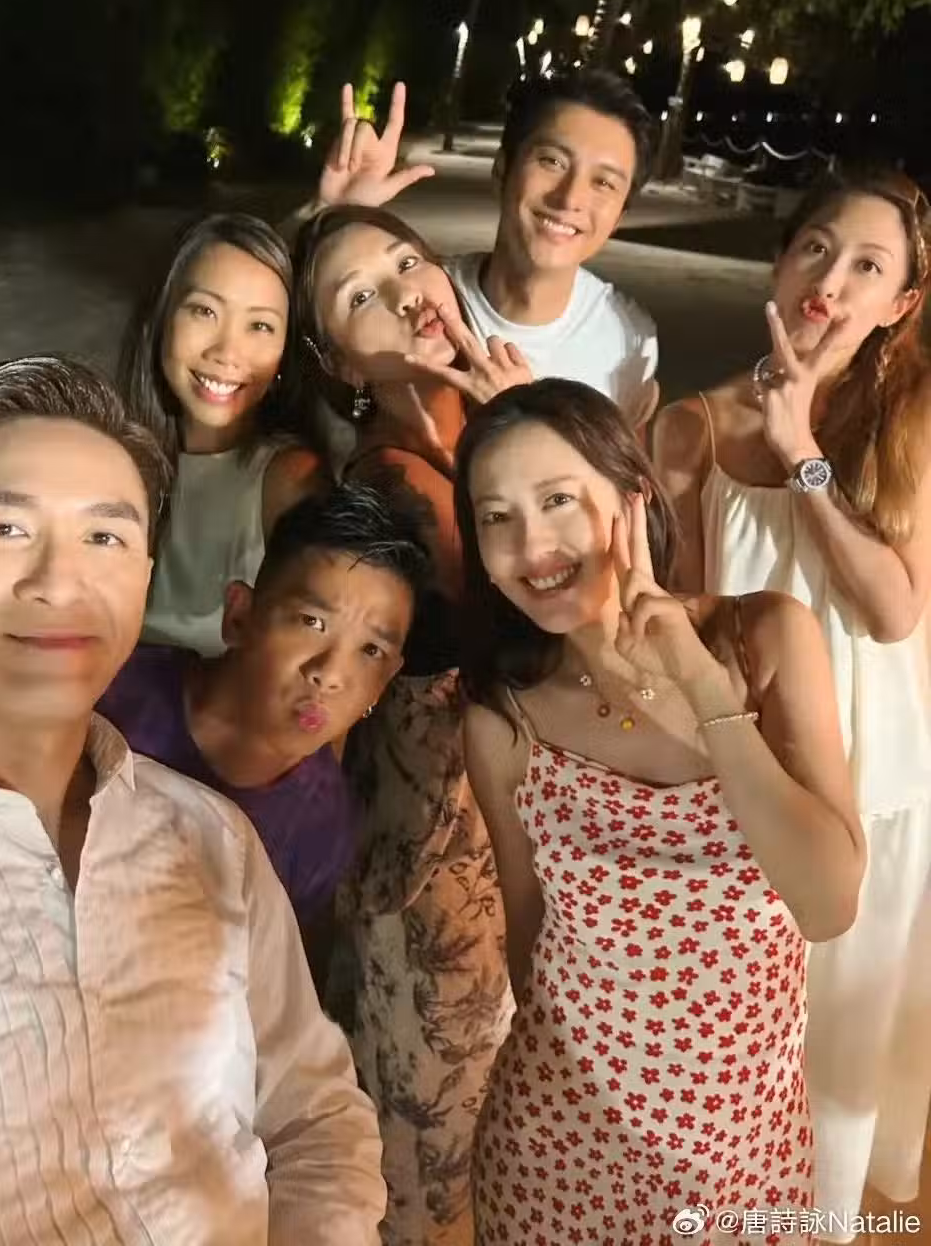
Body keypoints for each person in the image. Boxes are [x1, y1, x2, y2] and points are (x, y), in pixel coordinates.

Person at [0, 357, 385, 1246]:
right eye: (3, 527)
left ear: (143, 581)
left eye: (104, 537)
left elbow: (314, 1115)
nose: (58, 582)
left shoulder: (213, 838)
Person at [455, 379, 865, 1246]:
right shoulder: (502, 718)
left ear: (631, 498)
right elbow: (530, 946)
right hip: (558, 1154)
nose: (532, 546)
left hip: (741, 1154)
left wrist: (701, 688)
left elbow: (828, 904)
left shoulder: (764, 640)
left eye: (558, 500)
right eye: (497, 517)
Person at [653, 166, 931, 1238]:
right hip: (755, 786)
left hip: (878, 775)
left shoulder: (906, 422)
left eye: (868, 266)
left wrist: (803, 451)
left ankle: (824, 1223)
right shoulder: (691, 426)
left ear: (901, 303)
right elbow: (682, 623)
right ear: (780, 259)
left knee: (838, 1056)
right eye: (816, 247)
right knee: (743, 1044)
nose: (833, 279)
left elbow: (894, 609)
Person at [293, 204, 523, 1245]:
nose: (401, 294)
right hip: (441, 861)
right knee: (435, 1153)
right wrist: (530, 456)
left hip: (521, 832)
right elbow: (528, 630)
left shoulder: (498, 417)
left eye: (405, 262)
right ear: (341, 364)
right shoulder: (388, 484)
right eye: (360, 296)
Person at [97, 482, 429, 986]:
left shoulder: (320, 827)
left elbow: (275, 985)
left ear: (384, 682)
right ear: (240, 616)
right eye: (311, 621)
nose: (330, 674)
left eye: (370, 651)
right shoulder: (111, 694)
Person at [299, 72, 660, 430]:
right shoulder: (429, 299)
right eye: (553, 162)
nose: (570, 198)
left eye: (604, 182)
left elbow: (622, 466)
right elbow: (292, 331)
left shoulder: (626, 338)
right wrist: (332, 212)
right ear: (502, 170)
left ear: (619, 217)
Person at [118, 212, 325, 657]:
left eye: (260, 325)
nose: (227, 352)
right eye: (205, 311)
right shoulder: (109, 460)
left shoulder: (289, 481)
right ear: (161, 318)